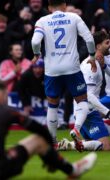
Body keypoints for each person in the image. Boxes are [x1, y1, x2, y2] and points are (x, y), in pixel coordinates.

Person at [0, 78, 97, 179]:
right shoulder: (6, 111)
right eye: (5, 95)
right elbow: (40, 130)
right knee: (38, 140)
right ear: (0, 94)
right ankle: (72, 170)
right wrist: (51, 157)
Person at [31, 0, 97, 149]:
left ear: (49, 8)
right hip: (72, 68)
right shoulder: (74, 18)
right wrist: (92, 57)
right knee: (82, 101)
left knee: (52, 106)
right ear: (64, 5)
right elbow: (89, 38)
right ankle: (76, 128)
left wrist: (37, 53)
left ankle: (53, 141)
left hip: (51, 70)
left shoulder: (42, 20)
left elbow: (35, 41)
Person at [58, 31, 110, 151]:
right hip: (88, 111)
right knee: (106, 147)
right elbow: (88, 94)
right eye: (107, 42)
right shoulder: (90, 66)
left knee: (91, 144)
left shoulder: (97, 62)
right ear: (98, 46)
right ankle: (68, 145)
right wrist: (107, 111)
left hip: (85, 110)